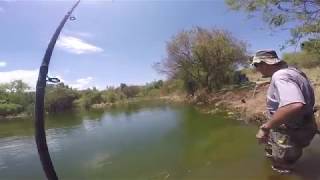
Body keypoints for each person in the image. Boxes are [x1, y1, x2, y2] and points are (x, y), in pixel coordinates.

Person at [252, 50, 318, 173]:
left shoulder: (280, 76)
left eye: (256, 65)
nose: (256, 69)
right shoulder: (294, 72)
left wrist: (265, 128)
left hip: (289, 129)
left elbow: (293, 105)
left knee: (282, 166)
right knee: (288, 156)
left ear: (264, 64)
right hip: (305, 124)